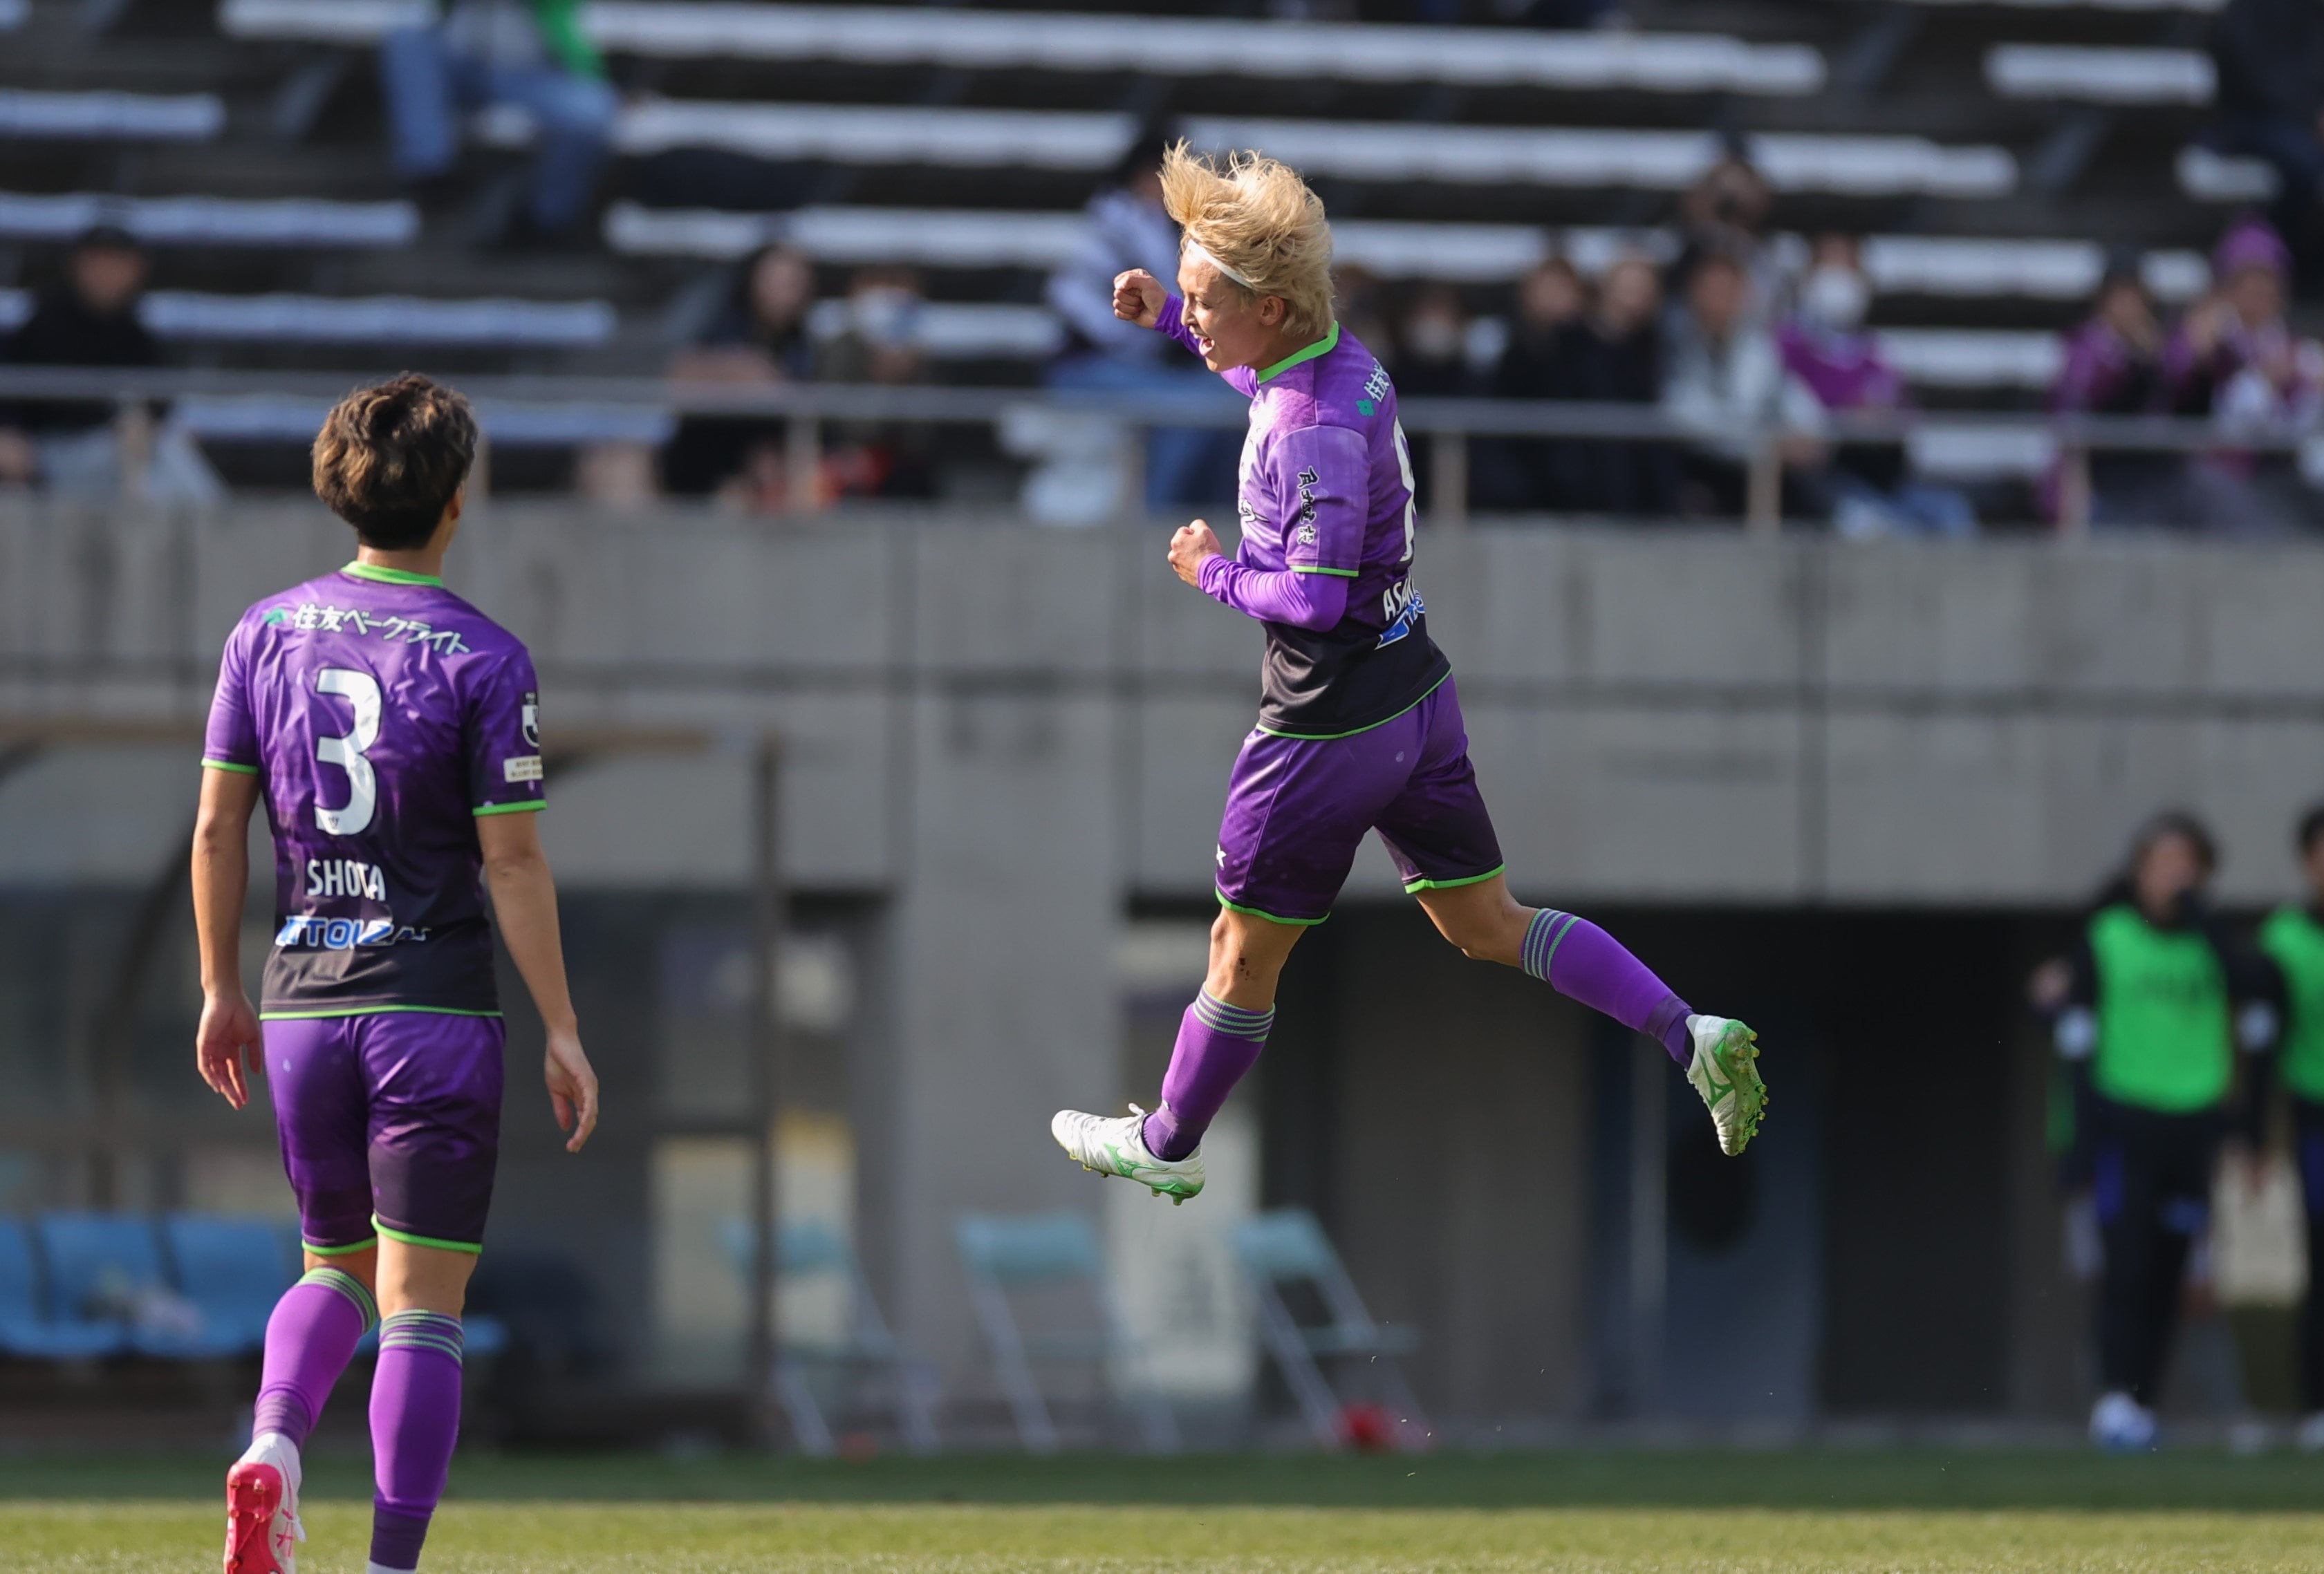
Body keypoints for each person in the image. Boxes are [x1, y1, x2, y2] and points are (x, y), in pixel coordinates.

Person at [1048, 145, 1767, 1207]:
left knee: (1238, 953)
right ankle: (1686, 1031)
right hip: (1413, 700)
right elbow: (1256, 367)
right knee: (1487, 923)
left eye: (1205, 301)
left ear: (1275, 306)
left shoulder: (1309, 434)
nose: (1194, 322)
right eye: (1189, 297)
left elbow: (1315, 599)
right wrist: (1167, 312)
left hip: (1322, 729)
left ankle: (1167, 1139)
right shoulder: (1334, 360)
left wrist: (1212, 570)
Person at [194, 374, 600, 1574]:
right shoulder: (485, 655)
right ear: (455, 504)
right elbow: (512, 862)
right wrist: (564, 1027)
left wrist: (220, 987)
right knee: (422, 1305)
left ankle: (271, 1443)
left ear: (339, 489)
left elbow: (218, 832)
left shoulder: (260, 632)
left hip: (302, 1002)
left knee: (331, 1266)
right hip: (431, 1008)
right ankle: (390, 1566)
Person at [2043, 812, 2277, 1450]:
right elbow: (2073, 1036)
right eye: (2161, 863)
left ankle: (2142, 1401)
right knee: (2125, 1265)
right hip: (2125, 1124)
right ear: (2137, 872)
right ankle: (2114, 1397)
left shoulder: (2214, 943)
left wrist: (2203, 920)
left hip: (2191, 1127)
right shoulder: (2108, 936)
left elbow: (2259, 992)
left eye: (2186, 864)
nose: (2173, 876)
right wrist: (2081, 1145)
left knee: (2172, 1273)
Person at [1045, 131, 1240, 509]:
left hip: (1137, 367)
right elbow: (1071, 300)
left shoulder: (1155, 225)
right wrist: (1151, 343)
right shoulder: (1116, 220)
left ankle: (1221, 518)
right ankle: (1161, 519)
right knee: (1190, 412)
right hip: (1085, 369)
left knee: (1231, 401)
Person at [0, 225, 220, 503]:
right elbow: (16, 396)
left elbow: (159, 406)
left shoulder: (135, 333)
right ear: (78, 265)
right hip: (53, 454)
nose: (108, 272)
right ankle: (221, 529)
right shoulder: (44, 323)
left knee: (166, 456)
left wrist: (141, 425)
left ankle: (215, 526)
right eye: (100, 261)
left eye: (118, 263)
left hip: (116, 458)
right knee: (160, 459)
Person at [1777, 234, 1974, 538]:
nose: (1838, 281)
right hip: (1828, 479)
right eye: (1829, 268)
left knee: (1952, 513)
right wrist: (1842, 422)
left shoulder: (1875, 353)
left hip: (1880, 476)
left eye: (1847, 269)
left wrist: (1883, 419)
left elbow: (1903, 415)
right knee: (1882, 527)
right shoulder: (1788, 347)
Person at [379, 0, 617, 240]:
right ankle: (429, 175)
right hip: (463, 65)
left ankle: (546, 220)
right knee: (407, 42)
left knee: (590, 112)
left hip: (533, 70)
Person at [2165, 216, 2324, 536]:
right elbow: (2177, 389)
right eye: (2249, 282)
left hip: (2285, 470)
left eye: (2269, 282)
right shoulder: (2207, 337)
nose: (2261, 292)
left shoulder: (2293, 347)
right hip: (2219, 472)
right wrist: (2260, 380)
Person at [1662, 246, 1827, 521]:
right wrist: (1768, 445)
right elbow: (1688, 417)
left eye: (1728, 291)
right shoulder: (1673, 342)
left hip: (1754, 475)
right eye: (1711, 290)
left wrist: (1809, 435)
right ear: (1693, 293)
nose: (1720, 300)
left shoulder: (1758, 346)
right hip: (1700, 472)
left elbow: (1796, 403)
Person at [2254, 804, 2324, 1451]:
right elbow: (2261, 1044)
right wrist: (2253, 1134)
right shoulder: (2282, 939)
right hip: (2315, 1113)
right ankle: (2316, 1405)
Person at [660, 243, 816, 498]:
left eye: (793, 284)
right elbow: (680, 374)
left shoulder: (804, 341)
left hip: (770, 459)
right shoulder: (720, 321)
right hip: (708, 455)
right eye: (774, 282)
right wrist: (742, 370)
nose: (783, 293)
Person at [2049, 261, 2177, 529]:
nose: (2129, 307)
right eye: (2121, 297)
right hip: (2095, 472)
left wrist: (2155, 364)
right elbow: (2075, 405)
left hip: (2145, 471)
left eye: (2136, 298)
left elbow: (2171, 405)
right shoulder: (2083, 346)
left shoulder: (2159, 350)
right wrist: (2128, 361)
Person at [2209, 0, 2324, 294]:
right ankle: (2294, 262)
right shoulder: (2245, 11)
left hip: (2303, 119)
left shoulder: (2309, 10)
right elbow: (2249, 77)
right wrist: (2309, 116)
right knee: (2304, 164)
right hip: (2252, 120)